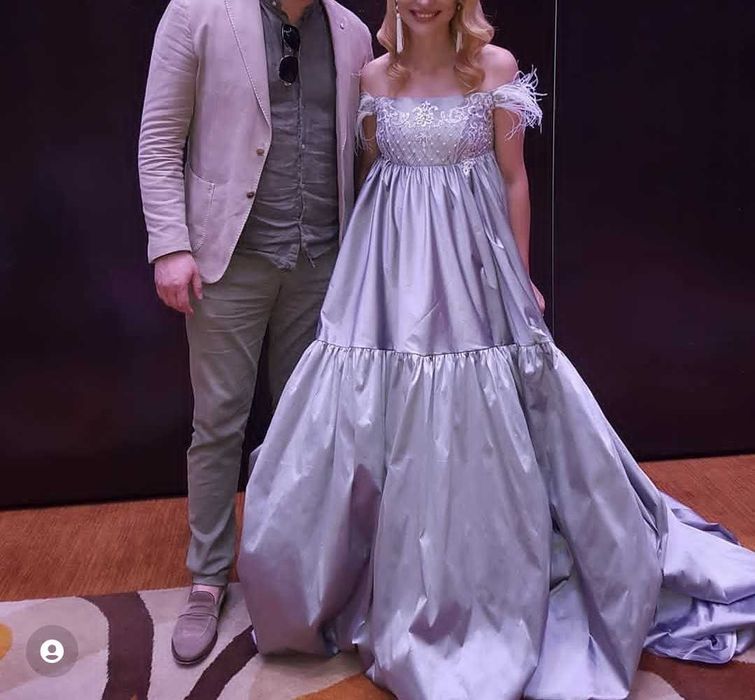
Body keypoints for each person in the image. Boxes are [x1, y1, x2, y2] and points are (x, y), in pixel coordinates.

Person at [237, 1, 755, 697]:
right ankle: (373, 577)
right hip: (389, 267)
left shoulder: (494, 69)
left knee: (484, 411)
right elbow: (371, 176)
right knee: (372, 410)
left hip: (472, 268)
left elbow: (513, 179)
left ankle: (488, 575)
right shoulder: (373, 76)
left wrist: (520, 273)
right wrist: (368, 281)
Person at [138, 0, 373, 665]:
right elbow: (159, 141)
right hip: (227, 262)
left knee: (306, 432)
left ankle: (294, 574)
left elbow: (364, 154)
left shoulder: (354, 32)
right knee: (218, 423)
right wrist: (169, 246)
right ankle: (208, 578)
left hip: (323, 262)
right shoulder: (196, 13)